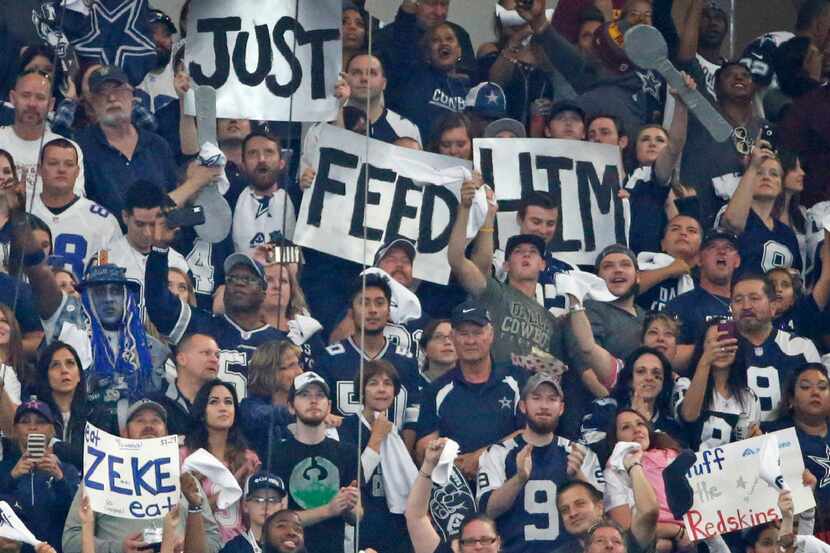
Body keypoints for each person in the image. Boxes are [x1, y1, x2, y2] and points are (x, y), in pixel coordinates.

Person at [62, 399, 222, 553]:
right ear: (125, 433)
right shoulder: (100, 474)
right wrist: (117, 549)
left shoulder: (185, 479)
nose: (149, 426)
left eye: (156, 421)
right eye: (139, 421)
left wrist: (186, 544)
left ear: (166, 433)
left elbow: (214, 540)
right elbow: (70, 540)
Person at [477, 372, 604, 553]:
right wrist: (519, 479)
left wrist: (578, 477)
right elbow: (487, 511)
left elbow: (600, 514)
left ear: (561, 408)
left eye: (552, 399)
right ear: (523, 405)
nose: (544, 406)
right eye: (536, 398)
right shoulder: (498, 453)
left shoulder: (580, 454)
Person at [145, 247, 286, 401]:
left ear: (263, 292)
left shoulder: (280, 342)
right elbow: (159, 305)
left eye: (249, 279)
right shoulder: (200, 325)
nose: (239, 284)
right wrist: (159, 251)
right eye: (232, 279)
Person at [449, 186, 564, 364]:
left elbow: (556, 367)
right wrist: (466, 209)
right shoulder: (495, 293)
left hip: (533, 390)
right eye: (518, 251)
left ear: (543, 264)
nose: (526, 254)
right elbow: (458, 260)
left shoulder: (552, 320)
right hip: (493, 386)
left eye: (533, 252)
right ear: (506, 264)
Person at [415, 300, 528, 479]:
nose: (470, 340)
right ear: (452, 337)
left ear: (491, 335)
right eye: (463, 333)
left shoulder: (517, 379)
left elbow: (531, 433)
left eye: (477, 332)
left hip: (509, 484)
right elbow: (424, 449)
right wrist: (455, 463)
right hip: (457, 491)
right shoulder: (436, 390)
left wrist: (481, 457)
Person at [315, 274, 421, 448]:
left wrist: (404, 455)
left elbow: (412, 414)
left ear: (388, 311)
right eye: (364, 303)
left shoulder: (406, 360)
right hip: (346, 460)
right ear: (351, 311)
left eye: (379, 303)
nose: (373, 310)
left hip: (395, 460)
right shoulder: (329, 360)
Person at [268, 372, 362, 553]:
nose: (313, 400)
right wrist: (329, 509)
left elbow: (357, 516)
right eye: (304, 395)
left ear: (329, 406)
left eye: (320, 395)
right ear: (290, 407)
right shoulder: (277, 453)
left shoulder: (347, 452)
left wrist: (349, 505)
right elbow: (276, 520)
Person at [74, 65, 178, 220]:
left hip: (159, 240)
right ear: (92, 104)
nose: (111, 98)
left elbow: (172, 198)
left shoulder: (158, 145)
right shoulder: (80, 148)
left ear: (131, 95)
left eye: (118, 90)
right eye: (102, 93)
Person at [338, 360, 413, 553]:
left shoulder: (394, 432)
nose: (381, 389)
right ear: (361, 390)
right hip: (361, 526)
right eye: (373, 383)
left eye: (387, 383)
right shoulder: (347, 428)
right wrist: (377, 438)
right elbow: (355, 479)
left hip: (394, 527)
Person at [731, 273, 821, 421]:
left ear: (773, 306)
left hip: (792, 437)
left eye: (754, 298)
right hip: (736, 440)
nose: (746, 306)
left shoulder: (800, 347)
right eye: (738, 300)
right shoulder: (721, 347)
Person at [27, 138, 121, 278]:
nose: (61, 169)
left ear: (77, 172)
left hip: (79, 298)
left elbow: (108, 272)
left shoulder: (103, 221)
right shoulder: (21, 210)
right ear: (40, 169)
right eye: (53, 163)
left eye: (69, 164)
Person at [183, 380, 261, 544]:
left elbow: (254, 516)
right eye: (214, 402)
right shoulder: (185, 457)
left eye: (228, 402)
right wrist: (234, 484)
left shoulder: (249, 459)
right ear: (202, 411)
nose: (223, 408)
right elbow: (184, 514)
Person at [603, 409, 689, 553]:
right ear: (616, 439)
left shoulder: (674, 454)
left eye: (640, 424)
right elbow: (627, 532)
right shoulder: (614, 472)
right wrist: (677, 532)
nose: (636, 430)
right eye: (626, 427)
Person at [0, 399, 80, 553]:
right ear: (15, 429)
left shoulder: (67, 470)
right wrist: (11, 477)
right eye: (24, 422)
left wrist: (59, 479)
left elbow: (77, 517)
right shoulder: (4, 468)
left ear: (52, 430)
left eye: (41, 422)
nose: (33, 427)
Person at [764, 363, 830, 541]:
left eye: (823, 387)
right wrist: (753, 445)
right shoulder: (771, 435)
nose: (815, 392)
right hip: (801, 532)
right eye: (806, 387)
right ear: (791, 399)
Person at [385, 13, 474, 144]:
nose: (444, 43)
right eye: (436, 40)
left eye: (449, 39)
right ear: (426, 53)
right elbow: (402, 39)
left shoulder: (470, 88)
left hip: (458, 156)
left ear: (459, 51)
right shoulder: (414, 78)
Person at [674, 321, 761, 450]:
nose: (721, 348)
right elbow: (689, 415)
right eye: (713, 343)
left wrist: (755, 439)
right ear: (702, 348)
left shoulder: (749, 397)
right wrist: (705, 361)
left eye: (727, 342)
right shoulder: (684, 384)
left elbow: (749, 448)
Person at [718, 145, 802, 276]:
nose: (766, 178)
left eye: (774, 174)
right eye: (759, 172)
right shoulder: (733, 212)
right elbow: (732, 223)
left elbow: (796, 278)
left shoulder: (787, 234)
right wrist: (752, 166)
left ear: (781, 186)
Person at [0, 69, 85, 198]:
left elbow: (74, 202)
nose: (32, 104)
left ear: (51, 104)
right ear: (12, 98)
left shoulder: (69, 149)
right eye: (25, 95)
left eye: (40, 97)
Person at [488, 192, 576, 316]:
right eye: (536, 222)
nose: (543, 230)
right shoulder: (499, 261)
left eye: (550, 224)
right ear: (519, 219)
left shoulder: (569, 269)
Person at [665, 229, 741, 372]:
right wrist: (710, 348)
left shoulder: (747, 305)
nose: (722, 252)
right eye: (712, 247)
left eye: (728, 248)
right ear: (699, 260)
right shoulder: (681, 305)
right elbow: (665, 355)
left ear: (737, 260)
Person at [580, 347, 679, 450]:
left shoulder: (670, 424)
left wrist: (648, 424)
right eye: (641, 371)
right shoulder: (604, 407)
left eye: (656, 374)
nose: (649, 378)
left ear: (663, 383)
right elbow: (591, 452)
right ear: (629, 379)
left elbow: (677, 457)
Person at [477, 1, 555, 126]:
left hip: (538, 134)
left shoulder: (544, 55)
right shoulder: (490, 49)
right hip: (499, 130)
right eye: (509, 15)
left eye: (521, 14)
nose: (516, 20)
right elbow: (494, 84)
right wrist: (515, 41)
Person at [19, 342, 94, 470]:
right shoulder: (34, 415)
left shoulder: (95, 414)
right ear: (45, 376)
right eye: (55, 365)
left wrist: (57, 447)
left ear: (80, 376)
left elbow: (95, 459)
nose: (64, 370)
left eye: (70, 363)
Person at [554, 469, 659, 553]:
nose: (573, 513)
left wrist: (633, 466)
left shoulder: (627, 541)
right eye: (565, 510)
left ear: (599, 507)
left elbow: (649, 512)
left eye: (580, 504)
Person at [378, 0, 477, 82]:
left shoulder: (458, 34)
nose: (439, 12)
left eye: (444, 4)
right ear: (414, 4)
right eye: (431, 4)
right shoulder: (389, 35)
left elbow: (470, 76)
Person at [233, 131, 296, 252]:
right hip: (242, 269)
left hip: (288, 269)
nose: (261, 159)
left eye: (269, 152)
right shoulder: (231, 197)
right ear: (243, 165)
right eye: (252, 153)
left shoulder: (298, 197)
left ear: (282, 162)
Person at [340, 53, 422, 145]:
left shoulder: (406, 129)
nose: (364, 78)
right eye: (356, 73)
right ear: (345, 79)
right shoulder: (330, 118)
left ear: (384, 83)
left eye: (372, 73)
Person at [238, 340, 300, 459]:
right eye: (291, 366)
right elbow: (261, 414)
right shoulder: (249, 407)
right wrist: (301, 412)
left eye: (298, 365)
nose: (300, 372)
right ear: (270, 371)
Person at [152, 332, 220, 436]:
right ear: (182, 359)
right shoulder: (156, 404)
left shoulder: (223, 405)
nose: (215, 360)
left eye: (217, 355)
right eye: (206, 353)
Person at [636, 215, 703, 312]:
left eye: (691, 231)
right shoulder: (643, 266)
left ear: (701, 248)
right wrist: (669, 270)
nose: (683, 233)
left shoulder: (704, 282)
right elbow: (623, 291)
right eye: (675, 229)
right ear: (663, 244)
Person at [220, 472, 288, 553]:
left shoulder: (291, 546)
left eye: (272, 500)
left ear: (282, 506)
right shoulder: (233, 549)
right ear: (245, 505)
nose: (266, 506)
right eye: (258, 500)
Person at [418, 319, 457, 383]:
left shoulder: (473, 386)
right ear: (424, 350)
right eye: (438, 337)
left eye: (452, 336)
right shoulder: (412, 387)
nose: (447, 342)